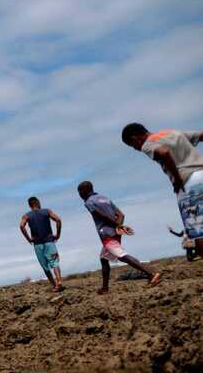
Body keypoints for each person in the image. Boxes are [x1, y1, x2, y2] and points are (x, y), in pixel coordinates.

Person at [121, 123, 203, 254]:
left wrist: (177, 178)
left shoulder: (147, 144)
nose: (136, 149)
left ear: (135, 138)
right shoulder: (173, 132)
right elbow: (201, 135)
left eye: (132, 145)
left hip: (189, 183)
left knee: (198, 231)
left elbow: (164, 153)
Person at [77, 181, 161, 294]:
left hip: (106, 233)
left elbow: (101, 215)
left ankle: (151, 274)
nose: (79, 195)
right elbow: (121, 215)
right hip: (115, 232)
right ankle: (105, 288)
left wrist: (117, 225)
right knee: (104, 259)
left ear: (85, 190)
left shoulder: (88, 202)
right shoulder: (104, 198)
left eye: (80, 192)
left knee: (121, 255)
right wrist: (118, 226)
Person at [19, 196, 63, 291]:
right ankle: (59, 282)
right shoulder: (46, 211)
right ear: (38, 203)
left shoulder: (27, 215)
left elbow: (22, 226)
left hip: (37, 244)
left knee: (45, 267)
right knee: (54, 263)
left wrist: (29, 239)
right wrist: (57, 235)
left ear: (30, 205)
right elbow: (58, 220)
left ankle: (54, 286)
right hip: (49, 242)